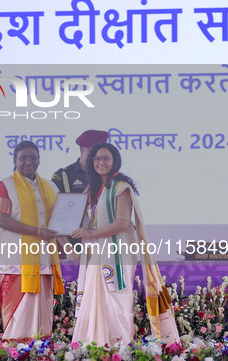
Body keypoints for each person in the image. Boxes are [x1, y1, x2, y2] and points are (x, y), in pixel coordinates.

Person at [71, 142, 179, 346]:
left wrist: (90, 233)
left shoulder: (121, 187)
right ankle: (94, 346)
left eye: (105, 158)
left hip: (117, 255)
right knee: (96, 303)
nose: (100, 162)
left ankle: (119, 347)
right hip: (97, 253)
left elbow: (121, 222)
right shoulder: (95, 190)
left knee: (117, 302)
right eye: (96, 158)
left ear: (115, 161)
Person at [0, 140, 65, 340]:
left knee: (42, 314)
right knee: (20, 314)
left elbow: (59, 219)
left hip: (44, 261)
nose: (28, 162)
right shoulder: (5, 185)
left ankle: (40, 352)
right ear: (15, 160)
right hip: (15, 263)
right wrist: (38, 232)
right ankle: (18, 353)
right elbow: (0, 219)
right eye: (23, 158)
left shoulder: (50, 187)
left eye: (33, 158)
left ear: (39, 159)